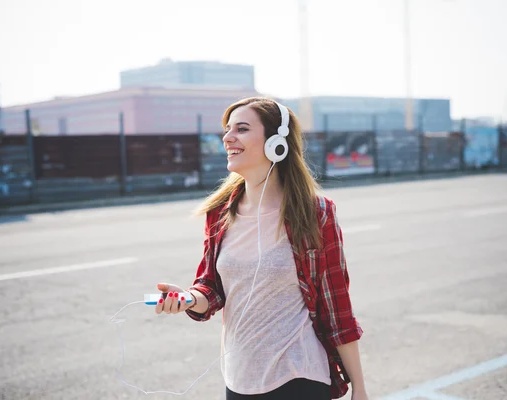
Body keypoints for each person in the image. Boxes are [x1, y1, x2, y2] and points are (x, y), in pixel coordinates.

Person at [155, 97, 367, 400]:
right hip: (240, 379)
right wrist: (188, 298)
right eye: (228, 130)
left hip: (299, 375)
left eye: (241, 129)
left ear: (276, 143)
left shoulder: (315, 212)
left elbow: (337, 305)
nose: (228, 138)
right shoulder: (219, 212)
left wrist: (359, 387)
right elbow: (211, 290)